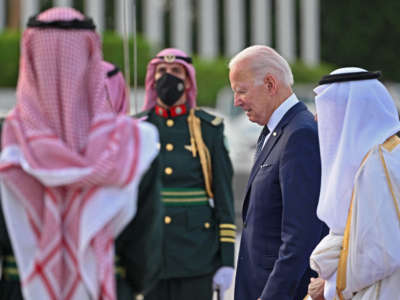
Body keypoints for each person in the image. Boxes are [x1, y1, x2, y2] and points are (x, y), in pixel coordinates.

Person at [0, 8, 160, 300]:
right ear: (91, 57)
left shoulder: (6, 143)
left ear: (29, 60)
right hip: (106, 287)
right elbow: (145, 249)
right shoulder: (133, 142)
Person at [136, 48, 235, 300]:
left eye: (176, 72)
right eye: (162, 72)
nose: (168, 78)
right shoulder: (136, 128)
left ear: (188, 80)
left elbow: (224, 197)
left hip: (197, 255)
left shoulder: (208, 129)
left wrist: (226, 260)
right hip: (148, 251)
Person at [229, 45, 327, 300]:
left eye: (241, 91)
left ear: (271, 84)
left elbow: (300, 236)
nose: (236, 101)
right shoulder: (275, 130)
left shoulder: (299, 134)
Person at [307, 67, 400, 300]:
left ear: (350, 112)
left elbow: (381, 253)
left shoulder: (378, 163)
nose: (317, 118)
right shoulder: (382, 154)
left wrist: (328, 288)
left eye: (325, 110)